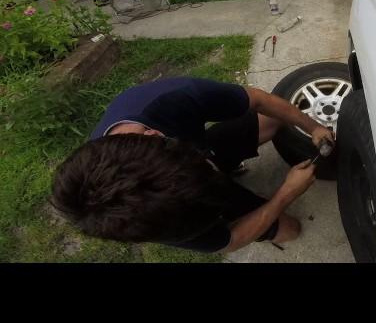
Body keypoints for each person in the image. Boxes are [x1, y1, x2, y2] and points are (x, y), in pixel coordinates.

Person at [50, 77, 335, 253]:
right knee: (291, 230)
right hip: (187, 195)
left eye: (205, 165)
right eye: (208, 169)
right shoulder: (151, 219)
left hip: (187, 159)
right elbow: (230, 240)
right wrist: (284, 195)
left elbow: (258, 99)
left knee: (273, 119)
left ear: (155, 134)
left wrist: (313, 127)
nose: (215, 172)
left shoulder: (170, 99)